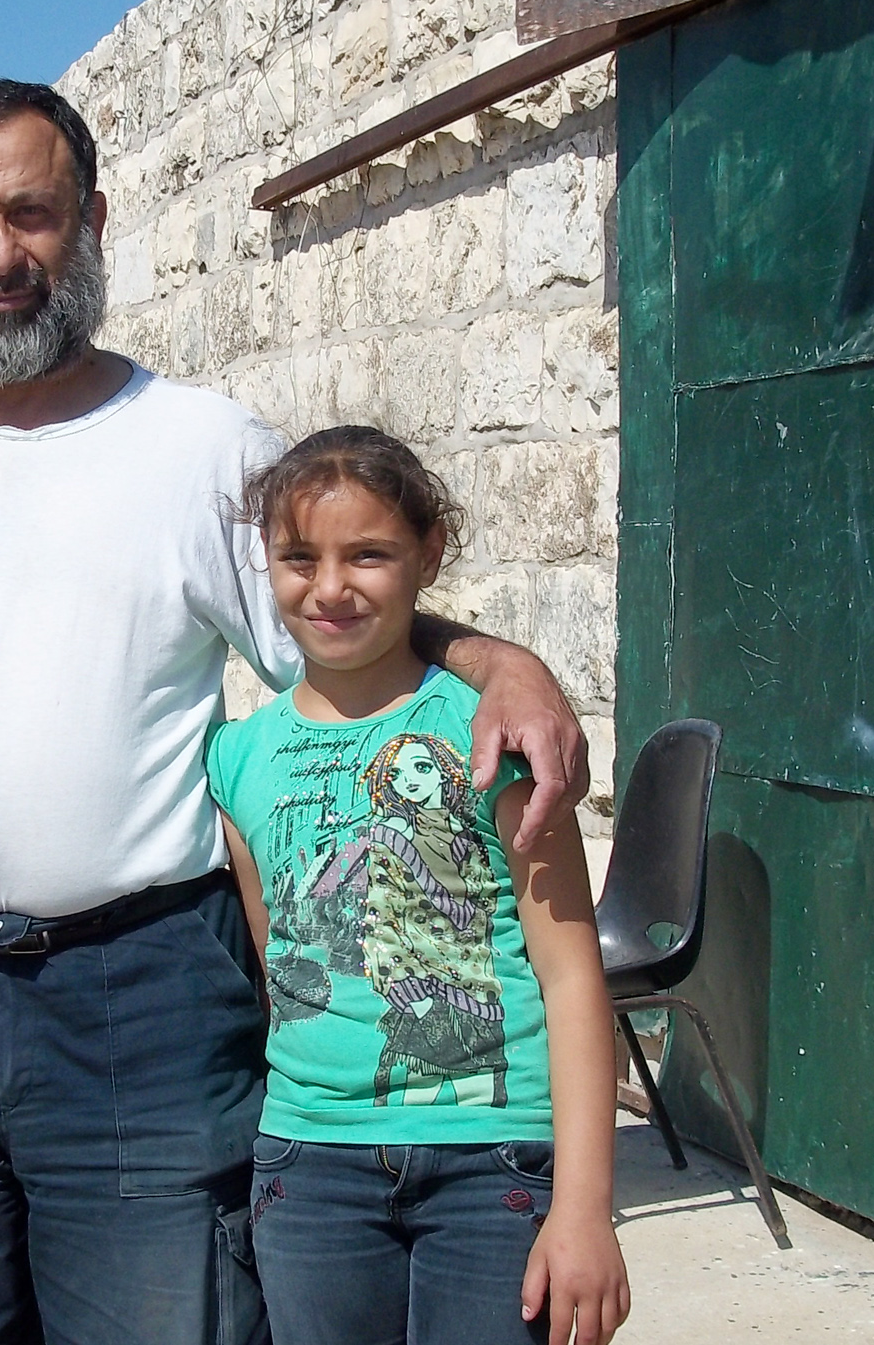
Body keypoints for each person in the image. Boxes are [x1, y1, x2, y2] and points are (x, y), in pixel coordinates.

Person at [0, 79, 591, 1345]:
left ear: (93, 217)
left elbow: (345, 637)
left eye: (31, 212)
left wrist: (501, 663)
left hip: (150, 1000)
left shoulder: (206, 451)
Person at [205, 426, 629, 1345]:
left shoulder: (501, 734)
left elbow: (570, 976)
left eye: (368, 554)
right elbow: (282, 969)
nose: (328, 588)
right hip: (308, 1164)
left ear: (427, 554)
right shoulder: (236, 759)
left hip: (495, 1161)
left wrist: (585, 1208)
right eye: (296, 558)